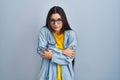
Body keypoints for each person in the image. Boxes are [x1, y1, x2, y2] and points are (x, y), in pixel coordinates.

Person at [37, 6, 77, 80]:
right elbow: (41, 51)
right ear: (49, 21)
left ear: (63, 20)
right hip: (47, 75)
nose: (55, 24)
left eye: (59, 20)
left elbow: (68, 58)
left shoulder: (71, 34)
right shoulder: (44, 31)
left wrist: (51, 55)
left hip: (66, 75)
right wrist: (63, 51)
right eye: (52, 20)